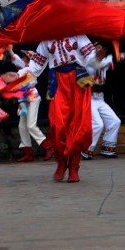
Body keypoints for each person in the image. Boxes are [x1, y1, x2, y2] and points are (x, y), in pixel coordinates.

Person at [19, 35, 95, 183]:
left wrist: (97, 58)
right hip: (57, 82)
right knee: (57, 125)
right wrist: (17, 75)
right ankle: (61, 163)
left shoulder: (78, 35)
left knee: (77, 124)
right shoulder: (46, 40)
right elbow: (35, 67)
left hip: (77, 81)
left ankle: (74, 166)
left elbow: (91, 57)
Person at [82, 41, 125, 160]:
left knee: (115, 121)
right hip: (89, 99)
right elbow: (96, 64)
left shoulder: (106, 61)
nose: (99, 50)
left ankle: (107, 150)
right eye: (96, 48)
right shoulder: (88, 62)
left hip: (100, 99)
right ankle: (86, 150)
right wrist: (100, 58)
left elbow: (118, 57)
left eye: (101, 48)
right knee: (98, 124)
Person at [7, 47, 53, 162]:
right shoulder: (23, 68)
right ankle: (28, 153)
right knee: (21, 126)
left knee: (31, 125)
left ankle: (48, 147)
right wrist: (9, 49)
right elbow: (15, 59)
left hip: (32, 97)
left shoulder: (30, 70)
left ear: (29, 59)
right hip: (23, 98)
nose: (22, 58)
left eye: (25, 57)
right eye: (23, 57)